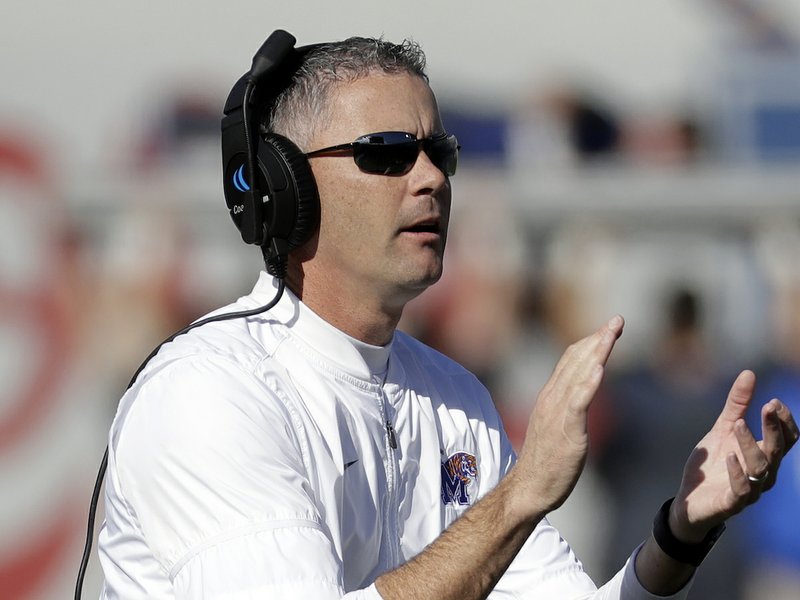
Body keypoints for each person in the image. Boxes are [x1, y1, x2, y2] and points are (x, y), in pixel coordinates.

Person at [97, 33, 798, 599]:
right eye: (389, 154)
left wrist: (681, 532)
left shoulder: (452, 393)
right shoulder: (207, 394)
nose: (430, 177)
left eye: (440, 152)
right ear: (286, 187)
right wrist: (523, 494)